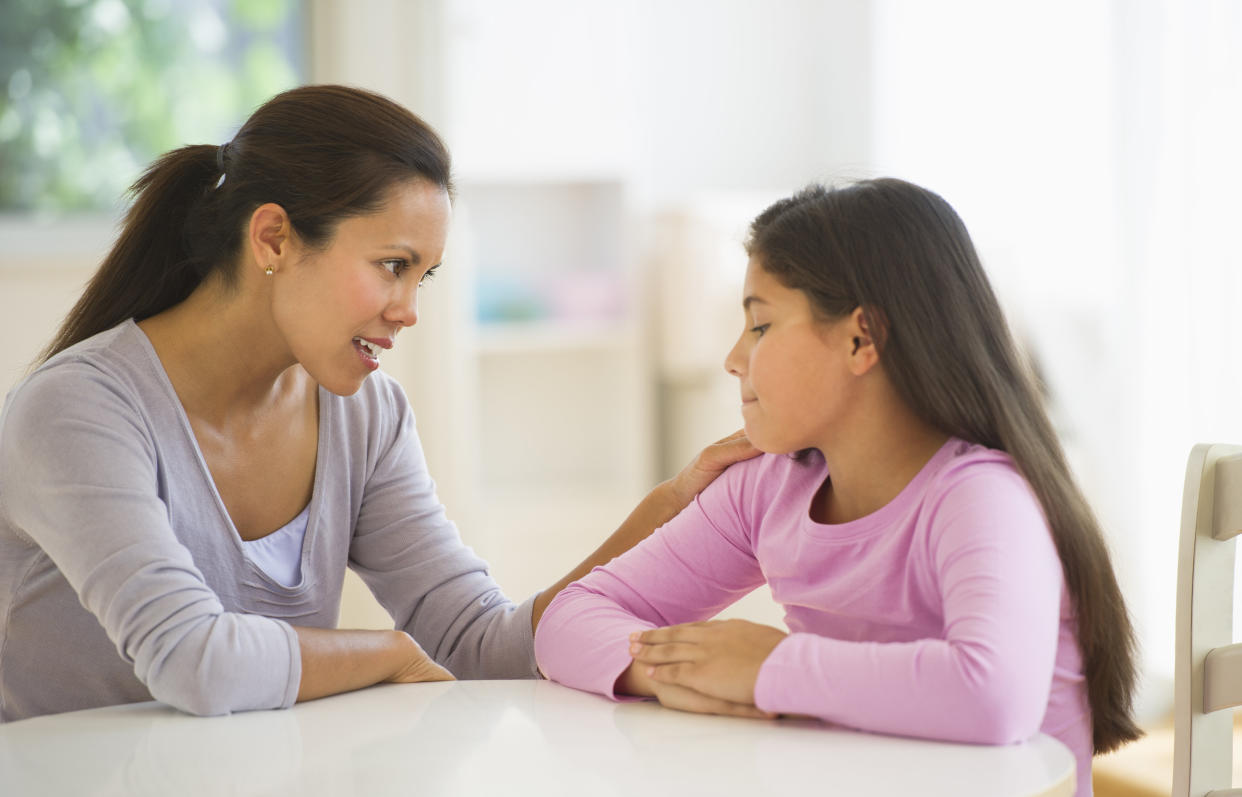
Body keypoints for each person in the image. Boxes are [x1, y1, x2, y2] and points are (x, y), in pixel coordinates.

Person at [0, 84, 756, 723]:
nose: (408, 310)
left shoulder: (366, 416)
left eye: (421, 276)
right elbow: (191, 658)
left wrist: (670, 510)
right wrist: (388, 651)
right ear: (273, 238)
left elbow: (478, 645)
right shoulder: (78, 411)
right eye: (392, 266)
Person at [533, 178, 1141, 795]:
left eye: (761, 326)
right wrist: (670, 671)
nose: (734, 358)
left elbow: (992, 696)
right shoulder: (768, 490)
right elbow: (567, 619)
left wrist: (766, 666)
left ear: (861, 339)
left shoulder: (982, 497)